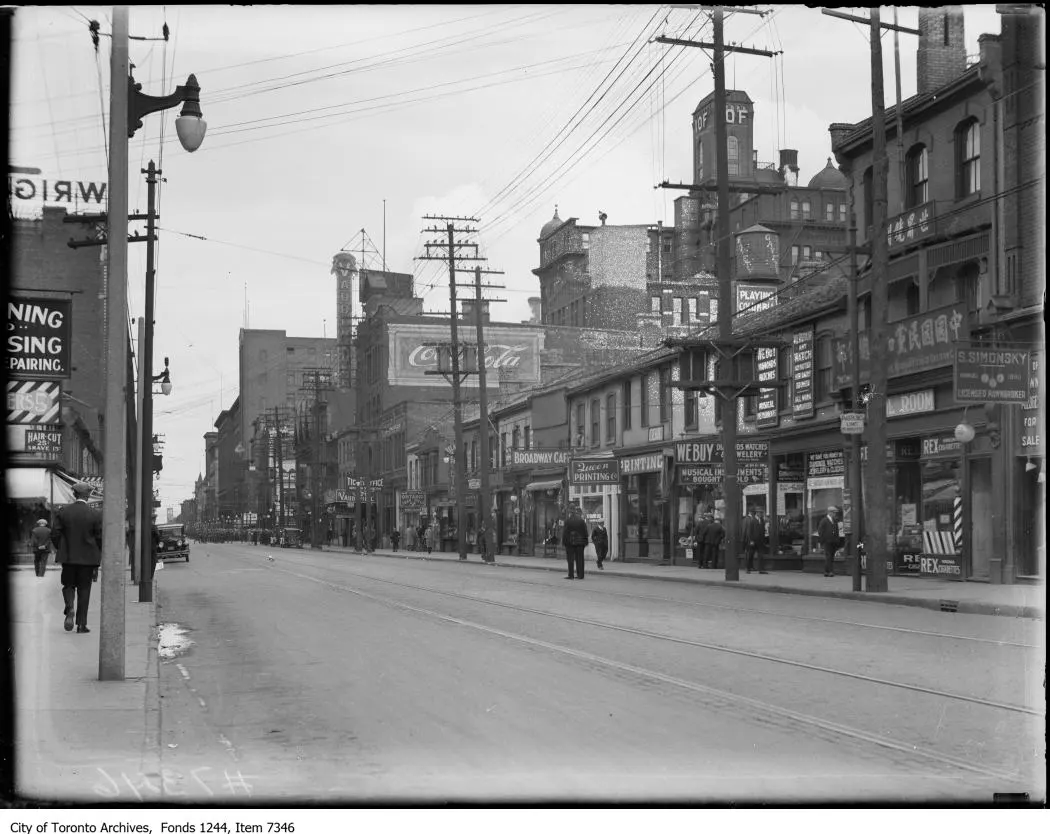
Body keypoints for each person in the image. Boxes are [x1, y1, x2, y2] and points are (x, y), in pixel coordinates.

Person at [51, 482, 103, 633]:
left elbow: (55, 533)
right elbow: (99, 538)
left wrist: (61, 547)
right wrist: (97, 555)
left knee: (68, 585)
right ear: (87, 495)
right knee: (84, 590)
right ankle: (81, 625)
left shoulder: (63, 512)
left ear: (74, 494)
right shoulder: (95, 514)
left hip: (68, 557)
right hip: (88, 559)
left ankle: (70, 607)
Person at [562, 505, 589, 580]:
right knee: (580, 559)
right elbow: (585, 532)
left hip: (570, 543)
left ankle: (571, 575)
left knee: (570, 559)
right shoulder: (581, 520)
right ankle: (580, 575)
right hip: (580, 543)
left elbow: (565, 533)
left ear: (570, 512)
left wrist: (564, 542)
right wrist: (585, 541)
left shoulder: (568, 521)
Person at [817, 506, 841, 577]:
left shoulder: (834, 521)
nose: (835, 514)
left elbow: (837, 531)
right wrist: (823, 540)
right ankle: (830, 571)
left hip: (833, 542)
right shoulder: (824, 520)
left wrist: (837, 540)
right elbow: (820, 531)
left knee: (831, 557)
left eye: (835, 513)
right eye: (834, 513)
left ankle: (826, 571)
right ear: (830, 512)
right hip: (827, 542)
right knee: (828, 556)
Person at [742, 508, 763, 574]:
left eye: (762, 513)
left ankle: (760, 569)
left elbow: (761, 531)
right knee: (750, 554)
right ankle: (748, 568)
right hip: (753, 540)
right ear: (757, 513)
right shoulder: (752, 520)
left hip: (759, 541)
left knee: (760, 555)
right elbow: (750, 531)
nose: (761, 514)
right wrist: (751, 540)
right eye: (760, 513)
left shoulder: (761, 520)